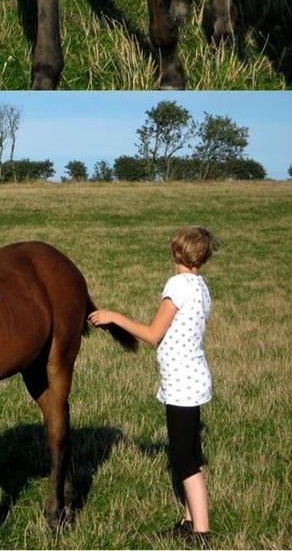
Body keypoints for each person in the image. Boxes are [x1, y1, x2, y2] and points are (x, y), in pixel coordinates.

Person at [90, 225, 216, 544]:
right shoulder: (201, 286)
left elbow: (152, 334)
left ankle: (201, 532)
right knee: (191, 452)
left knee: (183, 459)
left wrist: (113, 316)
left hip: (182, 383)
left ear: (176, 252)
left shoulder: (177, 285)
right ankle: (190, 520)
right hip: (194, 378)